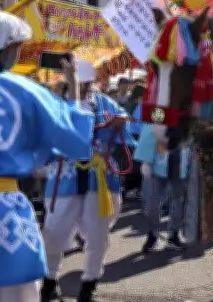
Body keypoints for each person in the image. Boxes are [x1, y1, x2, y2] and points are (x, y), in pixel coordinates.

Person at [0, 11, 95, 302]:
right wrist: (73, 89)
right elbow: (77, 143)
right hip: (6, 220)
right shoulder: (29, 91)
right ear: (11, 49)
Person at [40, 59, 133, 302]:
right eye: (80, 81)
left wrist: (121, 121)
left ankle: (89, 285)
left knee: (98, 233)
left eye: (87, 82)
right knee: (54, 232)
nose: (84, 85)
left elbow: (129, 121)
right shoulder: (55, 102)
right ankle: (49, 282)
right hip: (64, 177)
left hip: (98, 179)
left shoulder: (105, 102)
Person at [134, 119, 190, 252]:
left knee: (178, 202)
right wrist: (146, 160)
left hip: (180, 165)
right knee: (153, 203)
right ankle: (153, 234)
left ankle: (174, 235)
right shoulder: (161, 109)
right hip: (157, 166)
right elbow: (150, 129)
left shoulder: (188, 113)